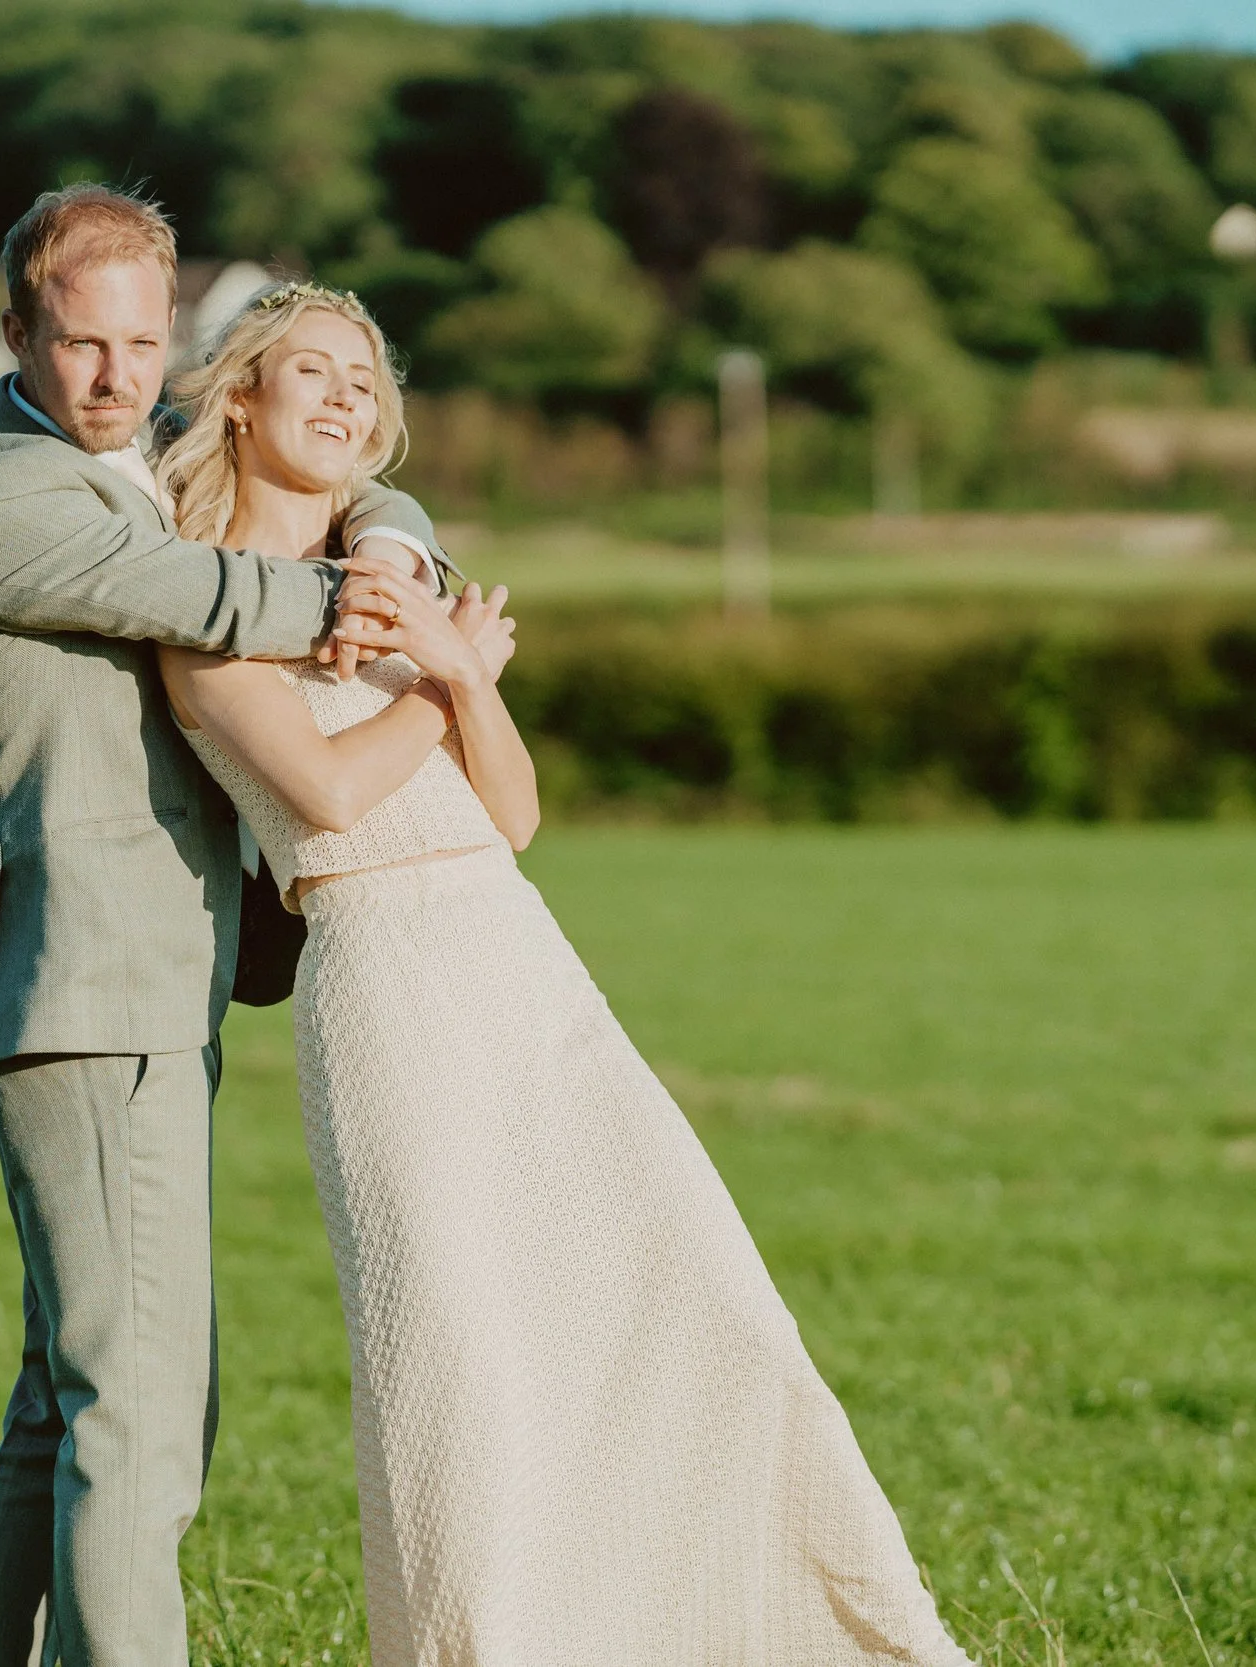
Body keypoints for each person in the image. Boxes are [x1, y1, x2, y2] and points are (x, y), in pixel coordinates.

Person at [155, 283, 975, 1667]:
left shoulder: (397, 580)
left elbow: (516, 812)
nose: (349, 396)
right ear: (238, 393)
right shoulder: (207, 611)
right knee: (463, 1359)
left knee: (695, 1293)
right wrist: (444, 675)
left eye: (367, 376)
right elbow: (331, 797)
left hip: (519, 959)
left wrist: (458, 675)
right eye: (314, 370)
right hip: (386, 985)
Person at [0, 186, 463, 1667]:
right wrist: (370, 617)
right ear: (16, 331)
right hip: (85, 988)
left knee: (73, 1393)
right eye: (81, 343)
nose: (114, 377)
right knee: (144, 1413)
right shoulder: (8, 499)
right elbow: (214, 590)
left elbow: (349, 484)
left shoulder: (125, 461)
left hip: (132, 988)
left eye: (141, 346)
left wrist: (400, 554)